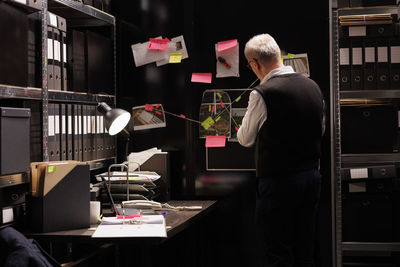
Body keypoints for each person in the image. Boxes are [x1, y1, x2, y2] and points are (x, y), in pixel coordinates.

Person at [238, 33, 325, 267]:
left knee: (279, 252)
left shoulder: (262, 93)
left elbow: (245, 138)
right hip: (311, 179)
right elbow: (321, 129)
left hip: (279, 184)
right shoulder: (312, 86)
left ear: (255, 63)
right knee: (305, 249)